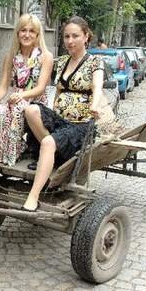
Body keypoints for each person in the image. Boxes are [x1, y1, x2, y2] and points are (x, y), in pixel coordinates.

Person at [21, 16, 105, 211]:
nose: (70, 41)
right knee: (31, 109)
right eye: (66, 36)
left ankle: (33, 197)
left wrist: (95, 104)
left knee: (49, 142)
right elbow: (56, 91)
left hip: (82, 126)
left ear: (86, 36)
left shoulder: (95, 62)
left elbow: (97, 85)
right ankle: (51, 155)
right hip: (61, 121)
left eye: (75, 36)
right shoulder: (61, 62)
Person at [0, 14, 54, 166]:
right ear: (17, 33)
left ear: (37, 35)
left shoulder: (45, 56)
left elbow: (40, 88)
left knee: (17, 109)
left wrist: (20, 95)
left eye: (32, 31)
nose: (27, 34)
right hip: (16, 99)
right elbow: (4, 85)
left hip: (37, 103)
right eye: (23, 30)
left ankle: (12, 153)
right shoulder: (11, 56)